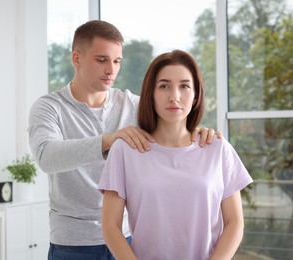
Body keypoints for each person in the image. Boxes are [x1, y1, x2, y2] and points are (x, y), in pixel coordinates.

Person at [28, 20, 219, 260]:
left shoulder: (134, 106)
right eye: (102, 60)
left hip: (126, 240)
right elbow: (47, 157)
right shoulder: (49, 108)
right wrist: (108, 140)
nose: (111, 69)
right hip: (72, 245)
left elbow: (173, 122)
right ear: (76, 58)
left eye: (117, 61)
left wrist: (197, 131)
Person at [99, 50, 253, 260]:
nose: (175, 96)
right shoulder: (124, 150)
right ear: (150, 94)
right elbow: (110, 227)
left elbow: (235, 223)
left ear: (196, 94)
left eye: (184, 86)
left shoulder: (217, 148)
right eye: (164, 86)